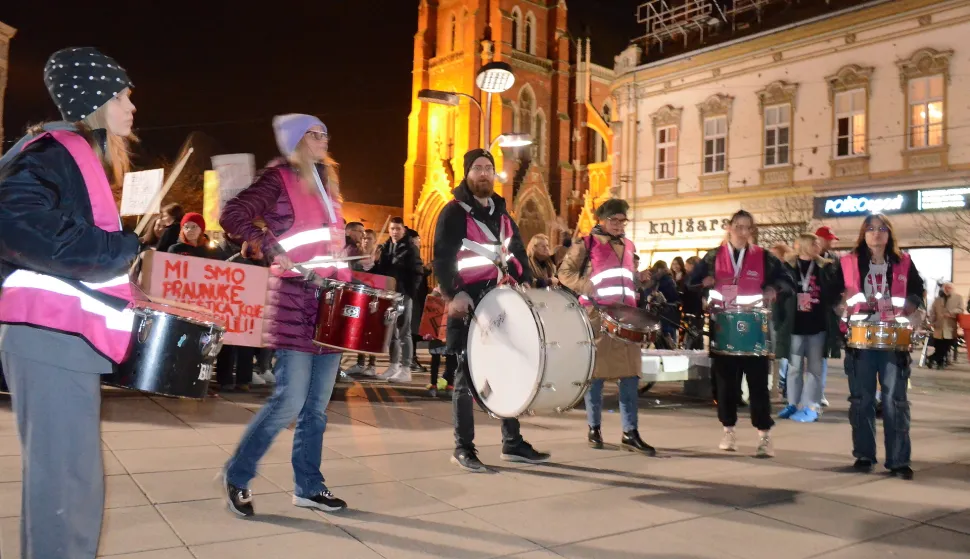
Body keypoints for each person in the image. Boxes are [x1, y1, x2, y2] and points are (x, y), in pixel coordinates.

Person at [0, 47, 143, 559]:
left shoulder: (59, 153)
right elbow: (14, 222)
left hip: (55, 338)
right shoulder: (54, 151)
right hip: (50, 338)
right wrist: (119, 249)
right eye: (123, 95)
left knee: (61, 484)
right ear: (96, 99)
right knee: (67, 488)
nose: (131, 107)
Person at [220, 113, 351, 516]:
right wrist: (266, 245)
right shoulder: (279, 179)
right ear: (297, 141)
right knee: (290, 402)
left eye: (327, 131)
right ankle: (238, 475)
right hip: (296, 303)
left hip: (331, 304)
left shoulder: (328, 184)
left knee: (316, 409)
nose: (324, 138)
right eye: (316, 133)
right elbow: (232, 214)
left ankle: (308, 487)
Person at [433, 148, 550, 472]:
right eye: (478, 168)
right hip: (468, 302)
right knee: (466, 377)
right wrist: (453, 293)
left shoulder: (501, 213)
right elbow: (442, 257)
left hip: (501, 300)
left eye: (488, 168)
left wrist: (527, 281)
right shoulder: (454, 212)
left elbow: (517, 254)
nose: (484, 173)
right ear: (467, 174)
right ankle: (463, 448)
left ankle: (512, 442)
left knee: (510, 370)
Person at [688, 210, 793, 457]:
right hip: (723, 327)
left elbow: (788, 280)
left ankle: (764, 435)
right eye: (738, 226)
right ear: (729, 227)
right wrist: (702, 283)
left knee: (758, 385)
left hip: (754, 329)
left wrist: (772, 288)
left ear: (751, 230)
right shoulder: (713, 256)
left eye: (747, 227)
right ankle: (728, 430)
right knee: (724, 385)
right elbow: (690, 283)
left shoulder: (764, 257)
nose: (742, 231)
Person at [558, 198, 657, 455]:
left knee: (630, 374)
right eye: (613, 220)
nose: (618, 225)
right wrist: (584, 285)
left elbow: (625, 279)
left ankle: (630, 432)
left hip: (628, 317)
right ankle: (594, 428)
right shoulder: (586, 243)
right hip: (597, 316)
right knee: (596, 375)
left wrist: (639, 279)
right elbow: (563, 272)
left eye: (622, 220)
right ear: (600, 220)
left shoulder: (629, 245)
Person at [834, 213, 923, 479]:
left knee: (895, 402)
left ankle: (898, 460)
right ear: (863, 234)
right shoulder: (847, 262)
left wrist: (911, 305)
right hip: (860, 340)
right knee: (861, 402)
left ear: (889, 233)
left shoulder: (904, 262)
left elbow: (916, 290)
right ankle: (864, 455)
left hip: (894, 340)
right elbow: (833, 295)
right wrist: (839, 304)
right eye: (871, 228)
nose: (877, 233)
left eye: (882, 228)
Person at [776, 233, 841, 423]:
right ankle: (793, 403)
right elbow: (780, 293)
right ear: (804, 245)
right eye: (814, 243)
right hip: (795, 324)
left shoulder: (826, 267)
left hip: (817, 324)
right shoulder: (788, 267)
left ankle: (811, 406)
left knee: (814, 368)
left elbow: (835, 291)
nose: (818, 246)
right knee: (794, 368)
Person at [371, 217, 424, 383]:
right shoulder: (386, 247)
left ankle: (406, 368)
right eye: (392, 228)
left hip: (402, 294)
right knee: (391, 331)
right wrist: (375, 261)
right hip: (389, 294)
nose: (394, 231)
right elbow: (380, 271)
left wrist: (408, 293)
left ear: (403, 230)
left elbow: (418, 272)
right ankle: (394, 365)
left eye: (398, 229)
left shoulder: (410, 248)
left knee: (403, 331)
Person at [346, 229, 379, 376]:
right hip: (360, 295)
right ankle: (360, 363)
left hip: (374, 296)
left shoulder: (378, 256)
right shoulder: (357, 254)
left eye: (370, 238)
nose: (366, 240)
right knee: (360, 328)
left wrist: (374, 263)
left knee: (372, 330)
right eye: (364, 238)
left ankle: (372, 365)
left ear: (374, 240)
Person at [929, 282, 962, 369]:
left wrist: (951, 313)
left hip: (950, 326)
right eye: (946, 288)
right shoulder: (938, 299)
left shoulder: (958, 298)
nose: (947, 289)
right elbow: (932, 311)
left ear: (952, 289)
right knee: (939, 346)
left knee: (947, 346)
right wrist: (931, 322)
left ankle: (931, 358)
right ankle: (940, 364)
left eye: (949, 288)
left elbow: (961, 309)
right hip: (939, 326)